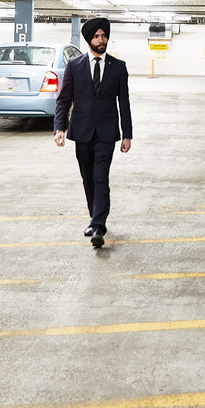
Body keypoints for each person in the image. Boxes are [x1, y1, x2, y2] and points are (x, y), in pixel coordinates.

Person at [54, 17, 132, 248]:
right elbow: (64, 100)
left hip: (107, 132)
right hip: (82, 131)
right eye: (97, 37)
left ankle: (99, 225)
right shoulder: (75, 65)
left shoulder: (118, 67)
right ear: (89, 39)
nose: (101, 40)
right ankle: (94, 215)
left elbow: (124, 103)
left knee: (100, 177)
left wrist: (127, 134)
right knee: (87, 177)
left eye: (104, 36)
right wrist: (60, 127)